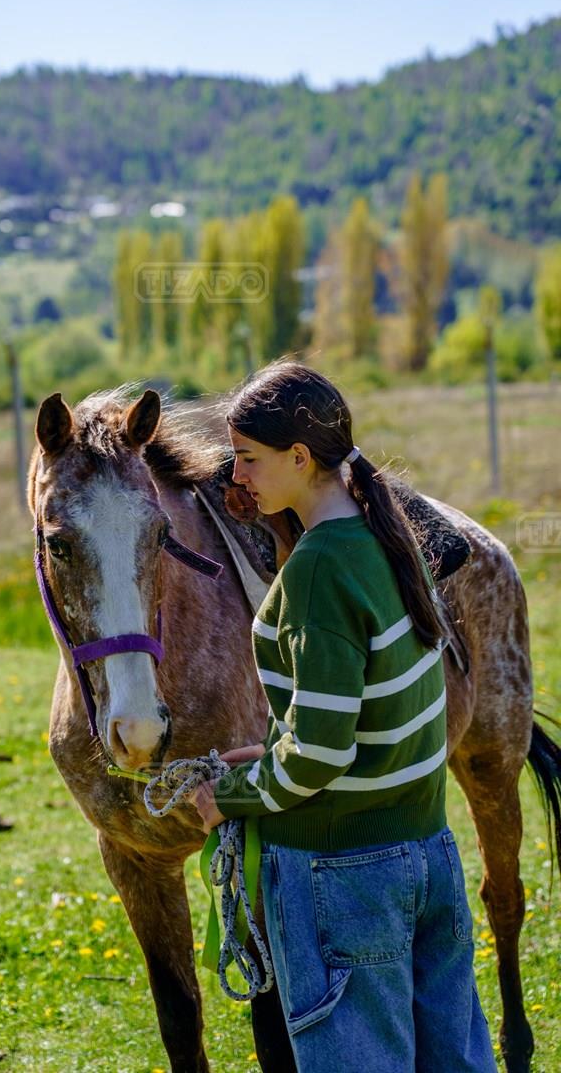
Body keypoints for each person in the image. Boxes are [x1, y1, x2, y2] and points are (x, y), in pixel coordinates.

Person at [192, 361, 496, 1072]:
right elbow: (364, 711)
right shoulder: (384, 536)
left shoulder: (318, 569)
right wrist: (272, 752)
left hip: (343, 876)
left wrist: (228, 796)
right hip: (427, 852)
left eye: (249, 458)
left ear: (300, 458)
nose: (237, 476)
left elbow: (323, 755)